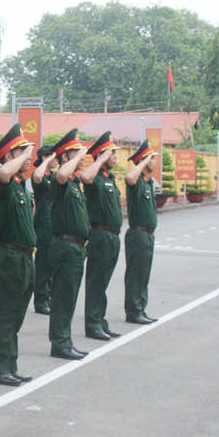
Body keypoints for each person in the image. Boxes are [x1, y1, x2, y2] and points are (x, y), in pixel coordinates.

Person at [0, 124, 42, 387]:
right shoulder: (2, 181)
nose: (28, 156)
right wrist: (20, 155)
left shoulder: (20, 184)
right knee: (4, 314)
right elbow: (2, 174)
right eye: (21, 151)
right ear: (8, 156)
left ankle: (10, 364)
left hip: (24, 257)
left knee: (16, 314)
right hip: (8, 257)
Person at [43, 130, 91, 360]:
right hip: (65, 246)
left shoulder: (75, 182)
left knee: (69, 296)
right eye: (76, 152)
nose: (82, 156)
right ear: (64, 157)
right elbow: (61, 175)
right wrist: (73, 158)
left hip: (76, 248)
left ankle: (65, 340)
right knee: (62, 297)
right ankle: (60, 343)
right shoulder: (60, 180)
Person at [79, 132, 123, 342]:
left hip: (113, 236)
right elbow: (85, 177)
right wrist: (100, 160)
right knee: (96, 281)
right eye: (111, 154)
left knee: (103, 282)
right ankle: (93, 323)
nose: (115, 158)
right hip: (100, 234)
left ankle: (101, 320)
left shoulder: (110, 179)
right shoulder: (93, 177)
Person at [123, 143, 162, 326]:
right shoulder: (136, 181)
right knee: (136, 274)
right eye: (152, 158)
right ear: (144, 160)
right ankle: (133, 310)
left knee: (143, 274)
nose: (155, 161)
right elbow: (130, 176)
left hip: (148, 235)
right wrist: (144, 160)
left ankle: (140, 308)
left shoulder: (148, 183)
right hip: (138, 234)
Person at [32, 143, 58, 314]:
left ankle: (48, 296)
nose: (56, 160)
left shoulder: (53, 176)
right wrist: (46, 160)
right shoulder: (40, 175)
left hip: (55, 224)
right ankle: (41, 300)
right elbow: (37, 176)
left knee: (52, 263)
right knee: (43, 264)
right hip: (43, 224)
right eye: (53, 157)